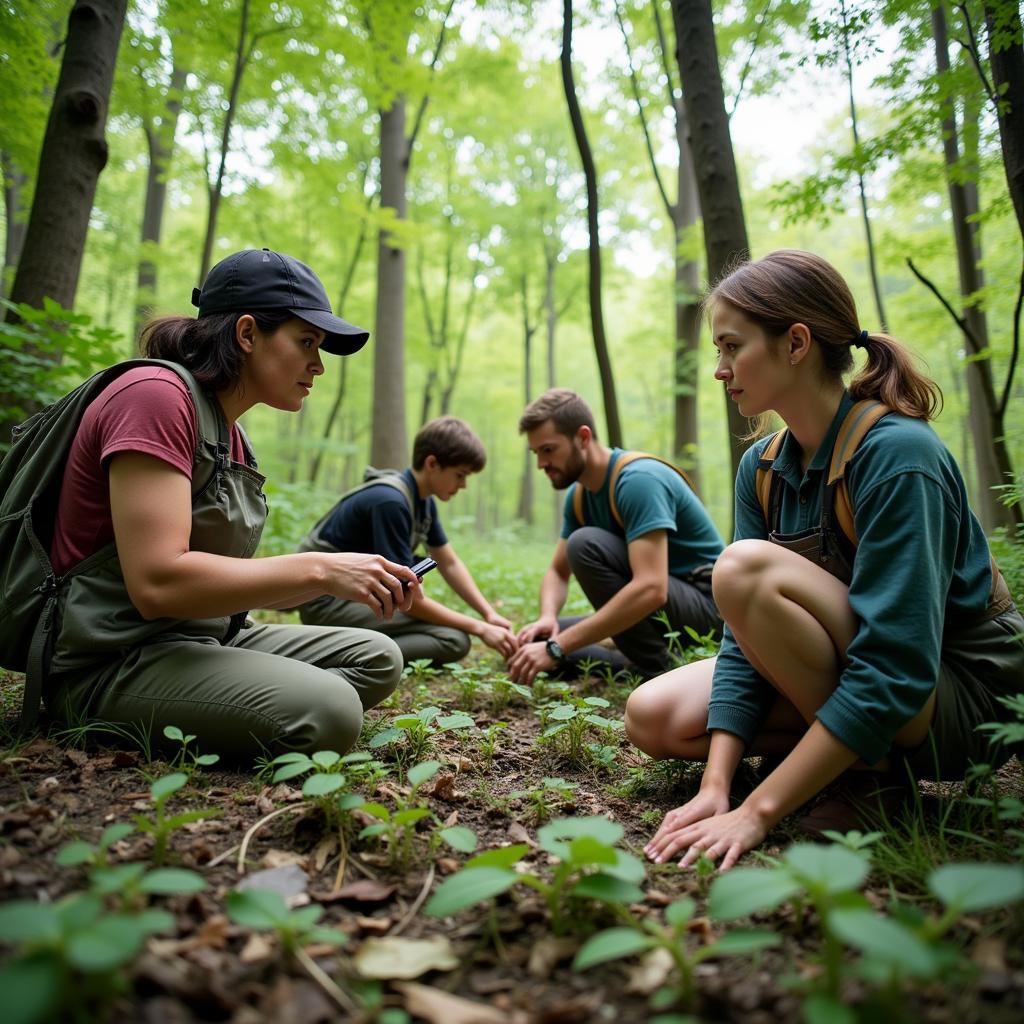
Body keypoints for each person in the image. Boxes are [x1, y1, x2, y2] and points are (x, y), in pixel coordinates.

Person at [625, 249, 1024, 871]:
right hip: (872, 675)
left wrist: (757, 811)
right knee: (655, 718)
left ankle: (874, 782)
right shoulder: (760, 467)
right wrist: (718, 784)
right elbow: (744, 644)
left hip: (957, 692)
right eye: (717, 353)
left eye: (732, 348)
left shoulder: (898, 456)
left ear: (796, 343)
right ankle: (846, 758)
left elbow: (896, 665)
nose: (720, 370)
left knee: (742, 569)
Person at [43, 248, 419, 760]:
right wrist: (318, 570)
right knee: (331, 710)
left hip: (199, 638)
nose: (319, 365)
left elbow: (219, 581)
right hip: (111, 658)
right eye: (307, 341)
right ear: (246, 334)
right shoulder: (153, 397)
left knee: (377, 656)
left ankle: (230, 699)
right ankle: (116, 708)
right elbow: (157, 582)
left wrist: (343, 577)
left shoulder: (229, 434)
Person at [508, 389, 725, 685]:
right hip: (664, 609)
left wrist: (558, 647)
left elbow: (652, 588)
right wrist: (547, 618)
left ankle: (660, 669)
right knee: (533, 642)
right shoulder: (579, 497)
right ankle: (634, 663)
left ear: (583, 437)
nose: (541, 464)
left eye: (548, 450)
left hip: (707, 605)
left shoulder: (638, 481)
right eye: (536, 453)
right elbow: (558, 571)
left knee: (584, 545)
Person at [297, 416, 518, 665]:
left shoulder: (422, 501)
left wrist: (488, 614)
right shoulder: (390, 501)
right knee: (454, 640)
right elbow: (407, 601)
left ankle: (357, 647)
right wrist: (479, 628)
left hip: (357, 597)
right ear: (432, 463)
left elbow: (449, 563)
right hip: (327, 604)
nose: (464, 485)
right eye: (460, 475)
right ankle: (342, 656)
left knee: (453, 638)